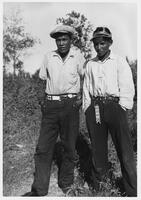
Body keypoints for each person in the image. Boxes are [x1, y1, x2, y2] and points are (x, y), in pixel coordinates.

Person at [23, 25, 85, 196]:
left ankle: (66, 184)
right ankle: (39, 189)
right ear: (55, 41)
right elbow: (41, 79)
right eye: (58, 40)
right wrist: (42, 101)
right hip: (50, 106)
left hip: (70, 105)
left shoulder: (77, 56)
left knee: (69, 146)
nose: (61, 43)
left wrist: (81, 99)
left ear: (71, 40)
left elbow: (86, 76)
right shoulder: (49, 57)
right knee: (43, 147)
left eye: (64, 39)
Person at [83, 27, 137, 196]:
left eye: (103, 43)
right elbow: (86, 88)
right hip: (96, 108)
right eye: (96, 44)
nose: (99, 47)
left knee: (125, 150)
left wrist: (122, 107)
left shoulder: (119, 61)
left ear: (110, 43)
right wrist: (87, 109)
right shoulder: (90, 64)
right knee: (98, 150)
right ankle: (101, 189)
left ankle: (132, 190)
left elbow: (128, 86)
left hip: (115, 106)